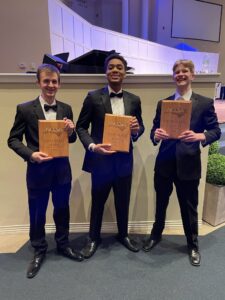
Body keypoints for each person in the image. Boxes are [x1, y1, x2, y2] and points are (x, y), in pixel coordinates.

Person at [8, 64, 83, 279]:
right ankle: (39, 249)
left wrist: (71, 130)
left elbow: (72, 138)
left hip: (61, 171)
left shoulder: (66, 108)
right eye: (46, 81)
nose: (51, 85)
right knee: (37, 212)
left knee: (62, 209)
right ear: (39, 82)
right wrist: (31, 154)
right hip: (37, 171)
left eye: (54, 81)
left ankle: (63, 244)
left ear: (59, 83)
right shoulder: (24, 109)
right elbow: (13, 139)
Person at [142, 59, 221, 266]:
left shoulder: (204, 103)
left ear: (192, 75)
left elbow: (215, 131)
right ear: (173, 76)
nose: (180, 74)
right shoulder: (163, 103)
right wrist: (156, 135)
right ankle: (155, 235)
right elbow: (153, 132)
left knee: (189, 208)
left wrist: (199, 137)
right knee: (160, 204)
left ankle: (193, 245)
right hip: (164, 165)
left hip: (189, 165)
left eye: (185, 71)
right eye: (176, 71)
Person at [76, 53, 145, 258]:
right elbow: (81, 127)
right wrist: (92, 147)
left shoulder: (134, 99)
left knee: (123, 200)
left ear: (125, 72)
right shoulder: (93, 97)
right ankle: (93, 238)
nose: (115, 70)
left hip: (124, 160)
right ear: (106, 72)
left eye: (119, 67)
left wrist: (136, 130)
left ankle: (123, 235)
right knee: (97, 201)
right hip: (101, 160)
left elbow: (140, 128)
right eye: (111, 67)